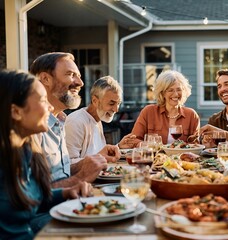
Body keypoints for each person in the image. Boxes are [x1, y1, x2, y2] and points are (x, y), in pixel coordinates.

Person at [0, 70, 92, 239]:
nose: (50, 107)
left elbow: (30, 198)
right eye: (43, 100)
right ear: (16, 112)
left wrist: (65, 192)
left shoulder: (26, 151)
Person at [29, 52, 119, 188]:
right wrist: (80, 178)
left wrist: (86, 163)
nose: (80, 83)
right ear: (45, 79)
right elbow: (32, 191)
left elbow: (60, 174)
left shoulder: (59, 122)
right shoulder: (31, 128)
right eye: (71, 74)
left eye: (79, 76)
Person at [64, 76, 139, 163]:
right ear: (95, 101)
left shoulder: (97, 119)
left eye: (118, 103)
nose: (116, 109)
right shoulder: (75, 122)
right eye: (111, 103)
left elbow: (99, 154)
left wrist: (119, 147)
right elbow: (68, 164)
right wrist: (100, 157)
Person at [131, 70, 200, 144]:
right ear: (162, 93)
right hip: (154, 155)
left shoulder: (191, 115)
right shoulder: (148, 112)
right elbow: (134, 139)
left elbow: (196, 145)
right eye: (170, 90)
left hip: (181, 155)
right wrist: (148, 146)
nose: (176, 94)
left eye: (179, 89)